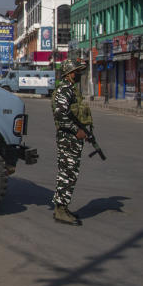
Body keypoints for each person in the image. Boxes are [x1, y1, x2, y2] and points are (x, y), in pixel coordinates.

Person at [51, 59, 90, 226]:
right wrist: (77, 131)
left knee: (71, 173)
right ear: (69, 73)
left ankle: (63, 207)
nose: (79, 74)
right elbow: (61, 116)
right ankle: (60, 209)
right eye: (76, 71)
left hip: (72, 139)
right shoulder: (64, 90)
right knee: (67, 174)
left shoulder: (71, 89)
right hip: (68, 139)